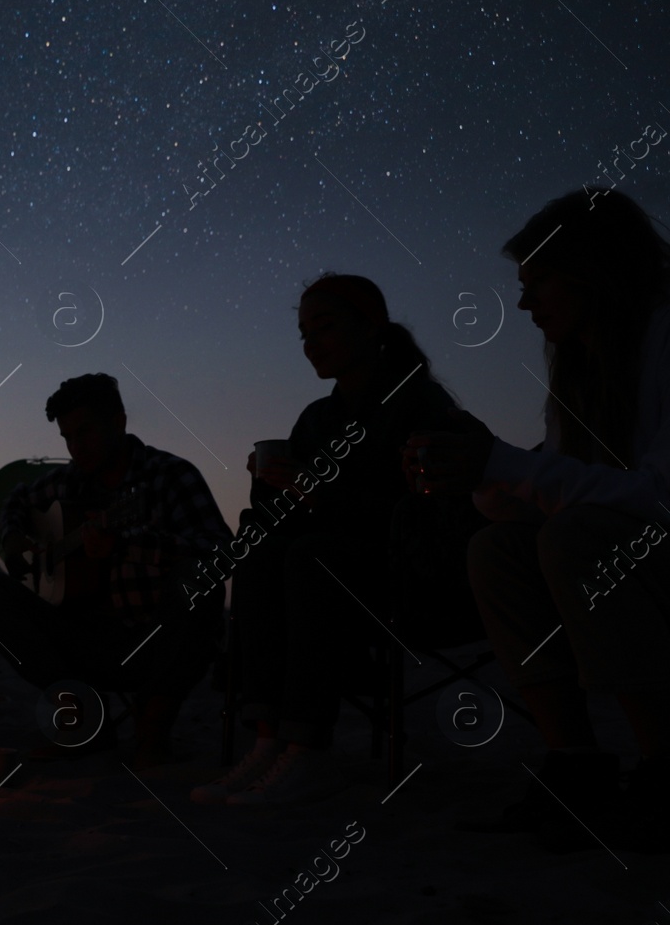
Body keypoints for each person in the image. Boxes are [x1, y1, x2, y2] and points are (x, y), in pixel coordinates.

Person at [413, 188, 670, 851]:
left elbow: (656, 496)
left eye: (538, 282)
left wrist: (502, 464)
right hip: (639, 557)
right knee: (496, 548)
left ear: (591, 269)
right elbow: (553, 478)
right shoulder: (582, 372)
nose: (525, 304)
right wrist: (483, 475)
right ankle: (576, 766)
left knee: (577, 534)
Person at [192, 275, 459, 804]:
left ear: (373, 327)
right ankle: (271, 741)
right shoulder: (318, 417)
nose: (312, 343)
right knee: (263, 552)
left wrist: (319, 494)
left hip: (410, 576)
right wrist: (270, 483)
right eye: (303, 333)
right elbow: (283, 516)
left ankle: (307, 748)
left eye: (325, 326)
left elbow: (424, 516)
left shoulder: (418, 403)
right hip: (319, 577)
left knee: (314, 557)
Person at [0, 373, 231, 768]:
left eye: (85, 432)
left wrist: (128, 545)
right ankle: (85, 721)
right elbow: (16, 498)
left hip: (155, 640)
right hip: (83, 640)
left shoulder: (170, 476)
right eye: (67, 437)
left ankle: (152, 730)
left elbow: (220, 552)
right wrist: (12, 537)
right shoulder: (65, 483)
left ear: (119, 422)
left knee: (198, 581)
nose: (76, 447)